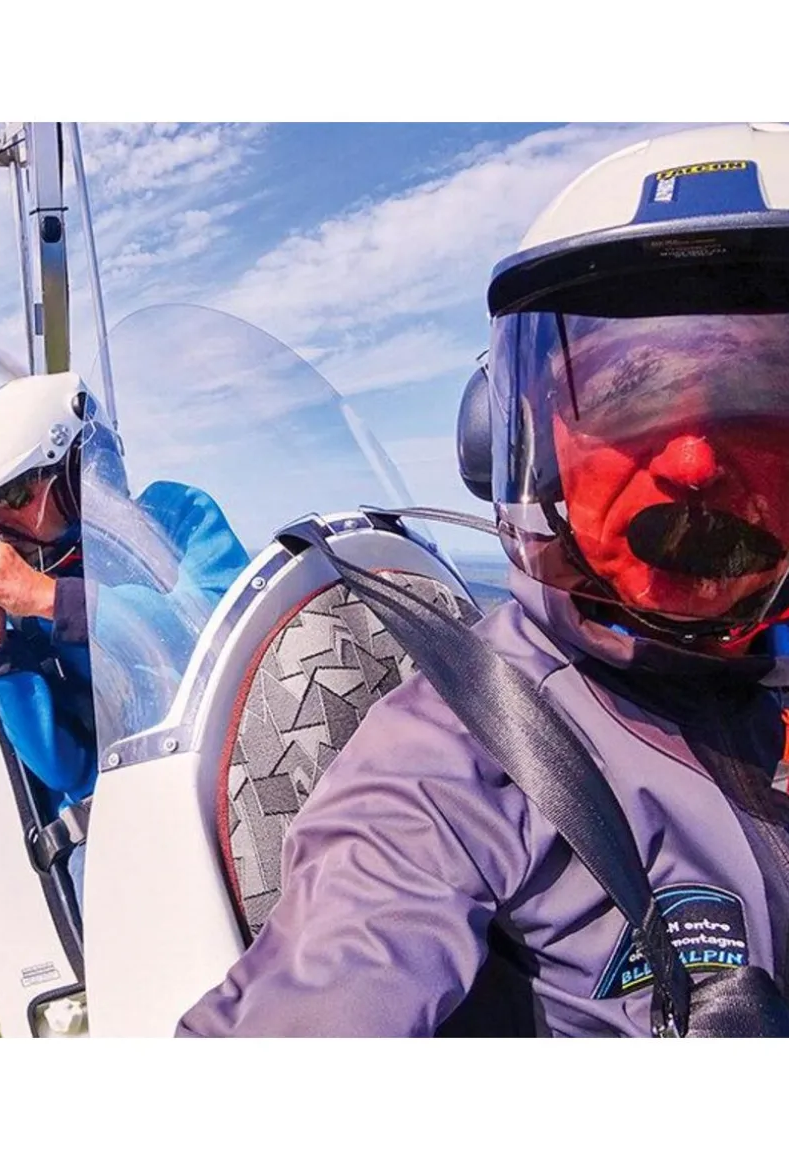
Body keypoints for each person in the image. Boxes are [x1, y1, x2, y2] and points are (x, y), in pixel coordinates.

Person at [178, 122, 789, 1036]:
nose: (693, 461)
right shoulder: (450, 763)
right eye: (629, 393)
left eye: (758, 393)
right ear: (528, 443)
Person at [0, 371, 249, 903]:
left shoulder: (176, 516)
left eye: (13, 494)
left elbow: (220, 630)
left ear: (80, 469)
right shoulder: (26, 594)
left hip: (226, 773)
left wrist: (56, 600)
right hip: (121, 822)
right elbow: (65, 768)